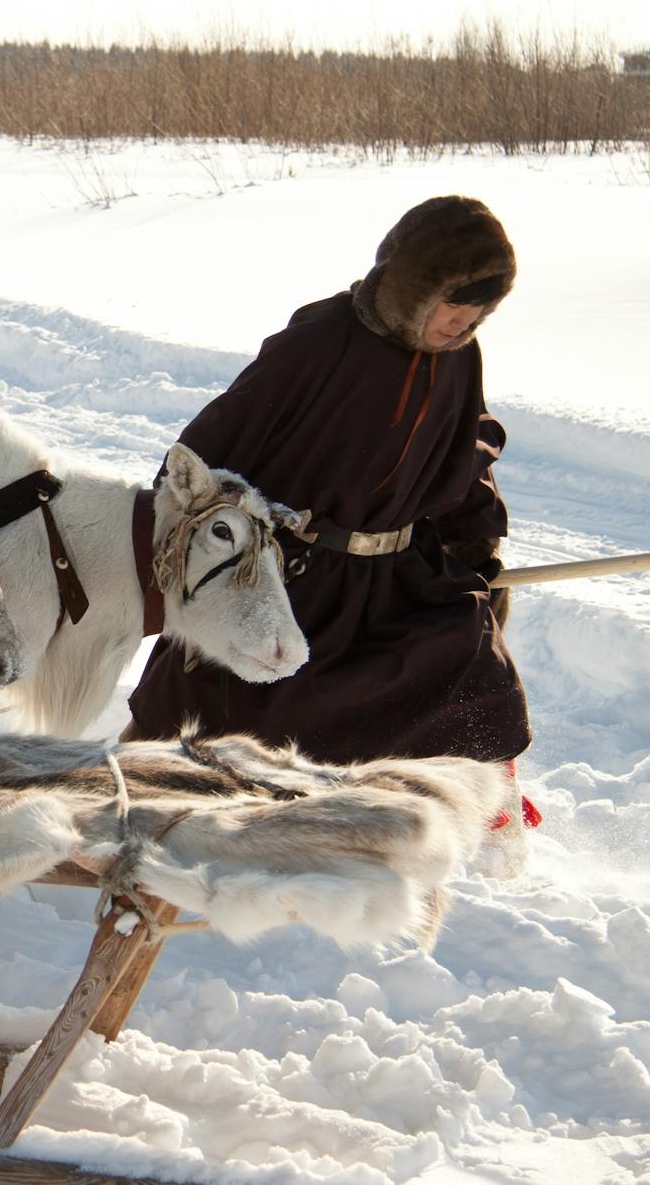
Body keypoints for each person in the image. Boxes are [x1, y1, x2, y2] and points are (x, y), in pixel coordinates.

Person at [124, 195, 538, 850]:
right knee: (246, 699)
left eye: (477, 314)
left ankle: (464, 828)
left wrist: (479, 551)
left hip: (397, 573)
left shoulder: (461, 357)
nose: (460, 326)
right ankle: (157, 813)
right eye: (451, 308)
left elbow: (465, 461)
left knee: (468, 663)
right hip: (295, 572)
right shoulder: (318, 342)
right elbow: (206, 452)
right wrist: (203, 542)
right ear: (410, 287)